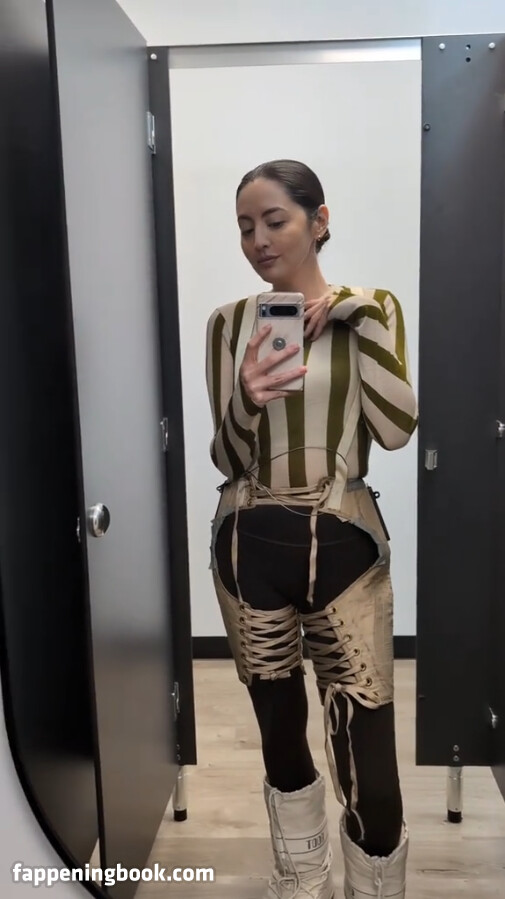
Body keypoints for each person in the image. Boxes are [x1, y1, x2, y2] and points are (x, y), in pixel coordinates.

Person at [205, 159, 418, 899]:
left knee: (368, 747)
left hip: (345, 547)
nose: (258, 241)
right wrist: (245, 397)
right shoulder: (228, 324)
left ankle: (375, 888)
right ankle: (300, 880)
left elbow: (395, 430)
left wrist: (358, 316)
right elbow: (225, 456)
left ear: (318, 220)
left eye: (275, 221)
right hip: (247, 545)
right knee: (278, 731)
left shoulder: (374, 309)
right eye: (245, 227)